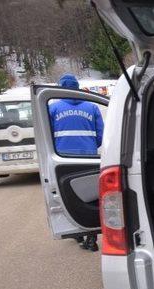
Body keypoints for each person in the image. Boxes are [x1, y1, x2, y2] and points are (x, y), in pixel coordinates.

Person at [48, 73, 104, 252]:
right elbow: (101, 134)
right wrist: (90, 146)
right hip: (88, 157)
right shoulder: (92, 107)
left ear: (61, 87)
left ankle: (77, 233)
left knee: (68, 196)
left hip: (63, 159)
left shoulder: (54, 108)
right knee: (92, 197)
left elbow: (46, 134)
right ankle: (91, 238)